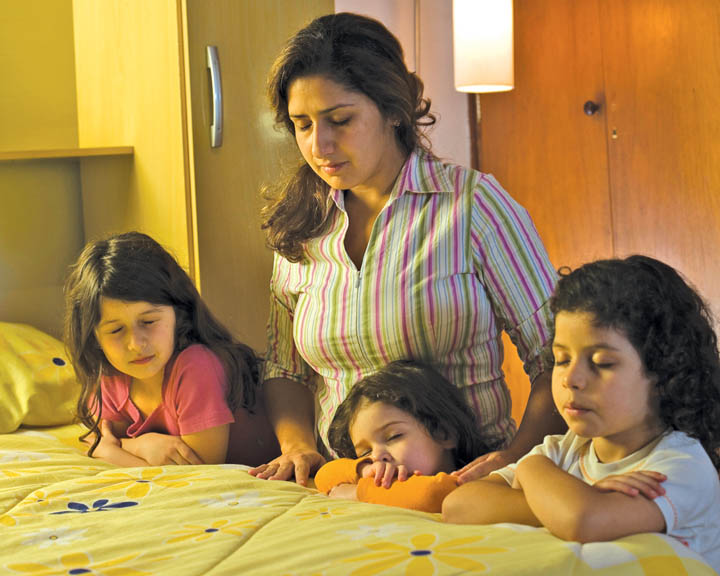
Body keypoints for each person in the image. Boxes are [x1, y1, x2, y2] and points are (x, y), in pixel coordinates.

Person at [250, 12, 565, 487]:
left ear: (393, 109)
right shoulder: (300, 226)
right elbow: (285, 367)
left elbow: (556, 358)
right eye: (302, 125)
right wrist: (298, 448)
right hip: (347, 490)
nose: (320, 145)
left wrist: (515, 460)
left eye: (340, 120)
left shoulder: (472, 207)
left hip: (465, 486)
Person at [442, 256, 720, 571]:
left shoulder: (680, 466)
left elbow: (583, 520)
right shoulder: (564, 450)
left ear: (664, 373)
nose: (570, 379)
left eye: (602, 363)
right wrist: (552, 500)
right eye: (562, 359)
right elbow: (459, 506)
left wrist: (532, 470)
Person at [64, 231, 280, 467]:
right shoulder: (110, 375)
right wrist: (141, 445)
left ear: (179, 313)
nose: (136, 344)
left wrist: (117, 449)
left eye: (148, 322)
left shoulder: (196, 366)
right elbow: (97, 439)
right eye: (116, 331)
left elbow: (202, 471)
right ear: (94, 337)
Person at [315, 360, 498, 512]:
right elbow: (324, 476)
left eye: (393, 436)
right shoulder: (375, 471)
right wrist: (363, 469)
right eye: (365, 452)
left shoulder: (468, 481)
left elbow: (431, 495)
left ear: (443, 434)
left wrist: (358, 493)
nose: (377, 456)